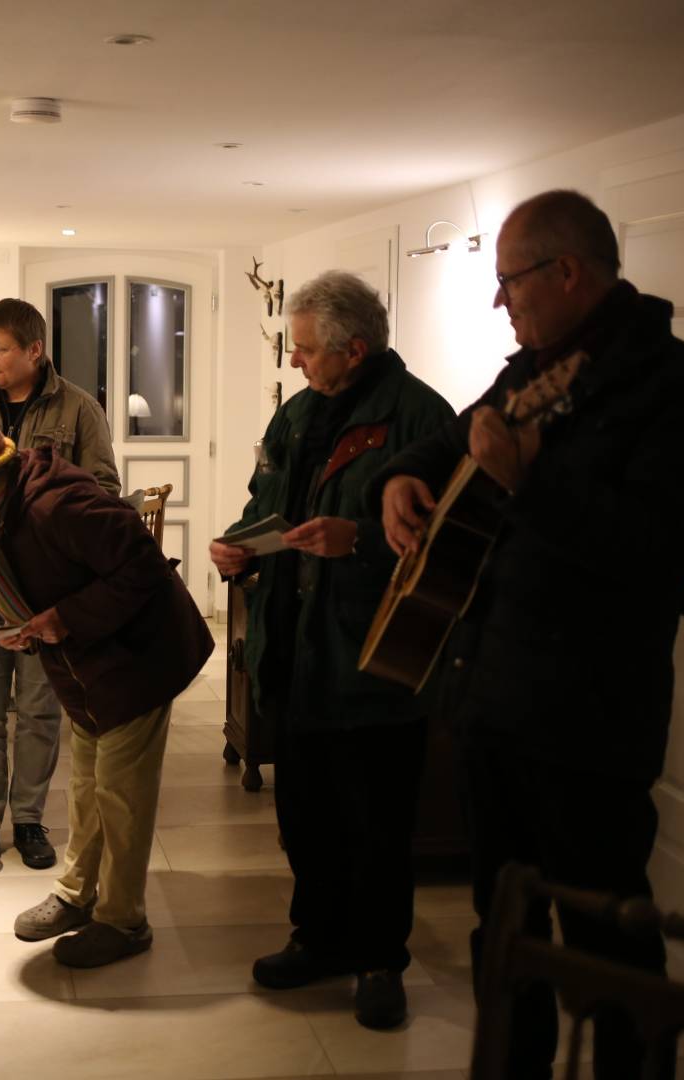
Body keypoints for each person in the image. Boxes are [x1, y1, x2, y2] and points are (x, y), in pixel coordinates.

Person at [376, 190, 684, 1079]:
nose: (502, 303)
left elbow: (652, 553)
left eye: (510, 282)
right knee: (501, 924)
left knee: (605, 933)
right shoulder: (527, 370)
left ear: (567, 271)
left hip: (590, 719)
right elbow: (450, 444)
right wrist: (399, 479)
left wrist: (530, 479)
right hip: (487, 696)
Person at [210, 270, 456, 1030]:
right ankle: (317, 938)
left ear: (355, 348)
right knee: (306, 815)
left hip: (374, 661)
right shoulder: (299, 414)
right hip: (298, 652)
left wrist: (359, 549)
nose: (295, 361)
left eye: (307, 348)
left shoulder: (420, 420)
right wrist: (243, 548)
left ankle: (381, 961)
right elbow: (269, 503)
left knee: (377, 825)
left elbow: (448, 551)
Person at [0, 400, 212, 969]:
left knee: (121, 793)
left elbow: (145, 568)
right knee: (88, 783)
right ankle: (78, 894)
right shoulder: (3, 504)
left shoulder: (57, 503)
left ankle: (124, 921)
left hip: (137, 658)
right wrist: (37, 624)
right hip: (87, 659)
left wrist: (63, 618)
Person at [0, 298, 120, 873]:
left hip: (47, 593)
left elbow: (103, 490)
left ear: (34, 350)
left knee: (43, 712)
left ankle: (29, 819)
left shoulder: (79, 409)